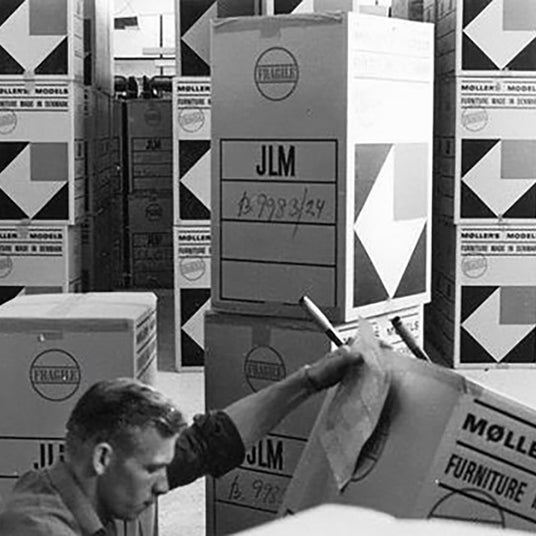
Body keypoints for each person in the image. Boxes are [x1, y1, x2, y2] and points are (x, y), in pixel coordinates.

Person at [0, 340, 364, 535]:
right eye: (153, 469)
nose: (163, 485)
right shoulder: (37, 529)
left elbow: (208, 443)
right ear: (102, 458)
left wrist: (310, 380)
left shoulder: (94, 481)